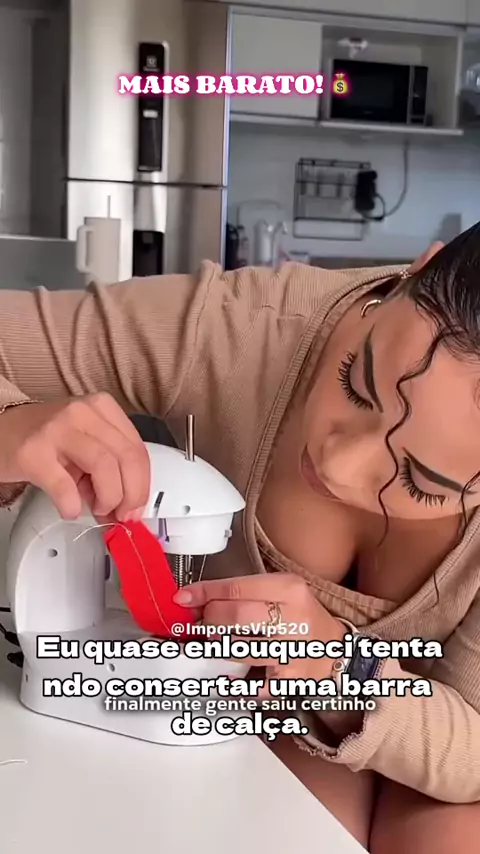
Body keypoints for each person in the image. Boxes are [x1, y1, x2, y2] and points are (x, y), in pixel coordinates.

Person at [0, 226, 479, 853]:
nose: (337, 468)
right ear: (415, 270)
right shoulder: (242, 328)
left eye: (419, 482)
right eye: (354, 383)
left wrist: (338, 670)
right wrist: (10, 424)